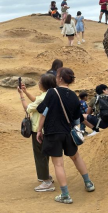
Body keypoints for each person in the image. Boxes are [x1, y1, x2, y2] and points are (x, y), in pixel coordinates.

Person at [36, 67, 95, 204]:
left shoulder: (52, 92)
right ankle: (88, 183)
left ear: (60, 78)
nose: (56, 77)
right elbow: (76, 119)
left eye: (57, 75)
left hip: (53, 132)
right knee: (76, 157)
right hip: (68, 132)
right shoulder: (74, 96)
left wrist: (39, 130)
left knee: (58, 164)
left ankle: (65, 195)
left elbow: (43, 112)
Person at [17, 74, 57, 192]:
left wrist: (21, 95)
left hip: (38, 131)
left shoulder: (42, 98)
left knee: (40, 155)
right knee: (46, 154)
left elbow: (28, 108)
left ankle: (46, 181)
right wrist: (26, 91)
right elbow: (36, 101)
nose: (38, 83)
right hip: (50, 130)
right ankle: (46, 176)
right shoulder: (51, 95)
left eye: (40, 82)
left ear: (43, 85)